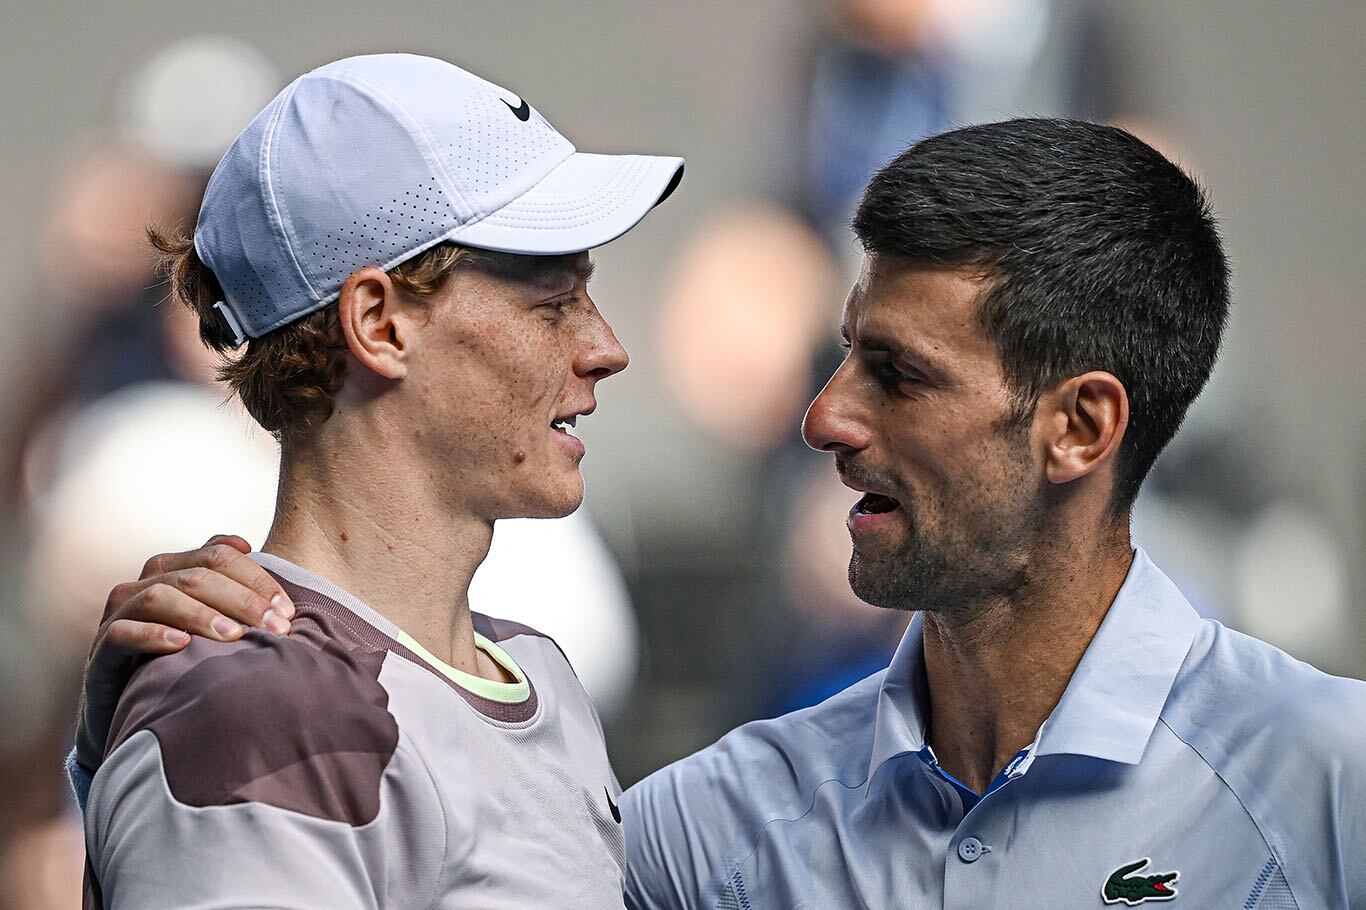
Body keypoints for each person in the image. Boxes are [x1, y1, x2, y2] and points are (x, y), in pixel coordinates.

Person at [74, 119, 1366, 908]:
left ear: (1080, 426)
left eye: (896, 375)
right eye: (841, 352)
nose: (822, 420)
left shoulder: (1329, 784)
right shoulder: (720, 824)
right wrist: (142, 713)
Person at [68, 52, 682, 910]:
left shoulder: (535, 669)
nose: (604, 348)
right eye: (552, 304)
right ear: (380, 323)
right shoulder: (255, 714)